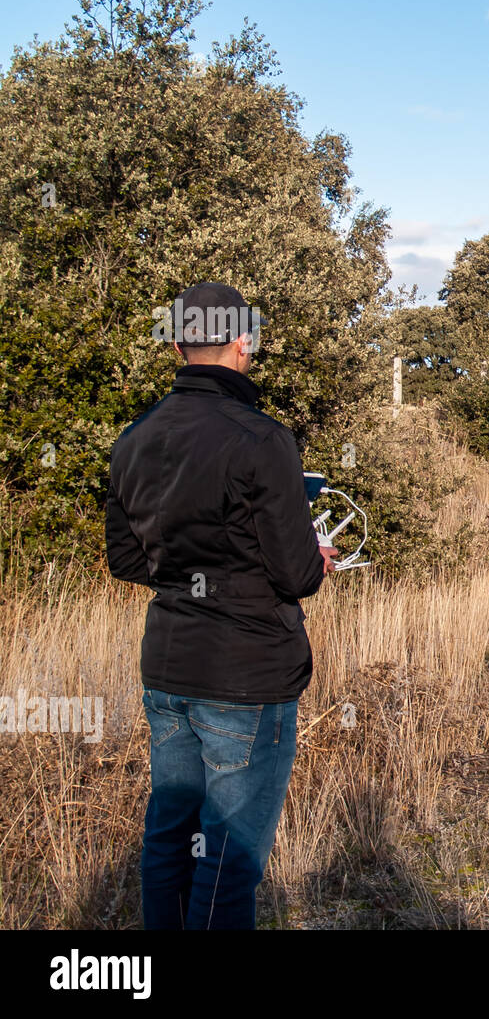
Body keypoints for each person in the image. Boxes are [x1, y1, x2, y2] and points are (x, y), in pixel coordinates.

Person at [105, 282, 337, 930]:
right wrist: (311, 560)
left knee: (169, 840)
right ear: (244, 343)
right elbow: (296, 574)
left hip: (170, 670)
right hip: (247, 676)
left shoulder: (134, 438)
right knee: (228, 858)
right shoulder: (264, 440)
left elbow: (127, 561)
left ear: (178, 345)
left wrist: (190, 566)